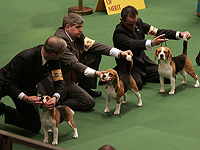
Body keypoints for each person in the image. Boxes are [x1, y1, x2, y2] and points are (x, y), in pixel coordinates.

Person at [37, 13, 132, 111]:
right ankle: (58, 102)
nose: (81, 30)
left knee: (94, 54)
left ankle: (86, 88)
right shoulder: (61, 42)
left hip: (71, 71)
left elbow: (94, 46)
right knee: (88, 103)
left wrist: (120, 53)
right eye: (78, 27)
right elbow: (74, 63)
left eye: (81, 27)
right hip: (60, 78)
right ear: (67, 27)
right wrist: (96, 73)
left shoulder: (77, 35)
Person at [112, 5, 192, 90]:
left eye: (135, 23)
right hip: (129, 65)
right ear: (122, 20)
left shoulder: (138, 23)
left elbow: (158, 32)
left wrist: (179, 34)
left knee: (167, 76)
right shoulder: (119, 33)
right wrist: (152, 43)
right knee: (137, 85)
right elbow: (133, 44)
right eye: (130, 24)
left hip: (143, 62)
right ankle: (119, 73)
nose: (133, 26)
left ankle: (142, 76)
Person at [0, 36, 67, 133]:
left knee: (33, 125)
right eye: (62, 53)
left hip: (27, 87)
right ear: (53, 54)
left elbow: (59, 81)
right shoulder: (24, 58)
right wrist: (26, 98)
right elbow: (8, 83)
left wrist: (55, 97)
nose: (62, 55)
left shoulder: (55, 60)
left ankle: (2, 109)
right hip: (5, 82)